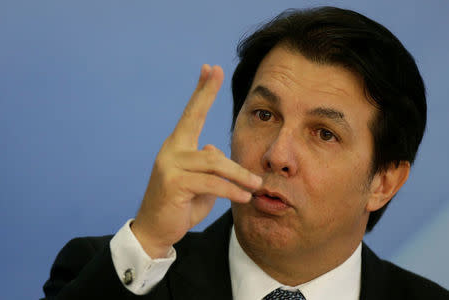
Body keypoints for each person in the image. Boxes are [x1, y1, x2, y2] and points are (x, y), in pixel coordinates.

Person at [42, 6, 449, 300]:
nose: (277, 154)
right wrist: (148, 240)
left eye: (324, 134)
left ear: (384, 181)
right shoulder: (113, 273)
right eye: (264, 115)